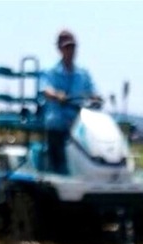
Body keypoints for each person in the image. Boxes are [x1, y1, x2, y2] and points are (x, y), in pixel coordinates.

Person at [41, 30, 101, 173]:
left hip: (80, 124)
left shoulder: (83, 74)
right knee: (60, 159)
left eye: (73, 47)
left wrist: (96, 97)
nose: (71, 51)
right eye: (67, 47)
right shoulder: (51, 72)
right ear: (59, 49)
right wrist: (56, 95)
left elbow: (92, 91)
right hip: (59, 125)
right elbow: (46, 90)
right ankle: (59, 174)